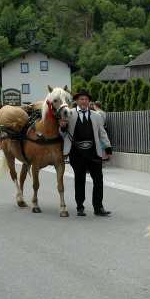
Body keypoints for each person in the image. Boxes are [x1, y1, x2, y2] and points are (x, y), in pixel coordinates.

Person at [59, 89, 113, 217]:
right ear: (77, 101)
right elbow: (62, 133)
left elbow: (102, 133)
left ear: (89, 102)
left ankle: (98, 207)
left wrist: (108, 148)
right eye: (81, 99)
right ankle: (80, 207)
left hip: (93, 152)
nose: (84, 101)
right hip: (76, 153)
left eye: (86, 99)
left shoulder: (96, 116)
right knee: (80, 179)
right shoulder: (69, 113)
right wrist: (62, 127)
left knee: (98, 179)